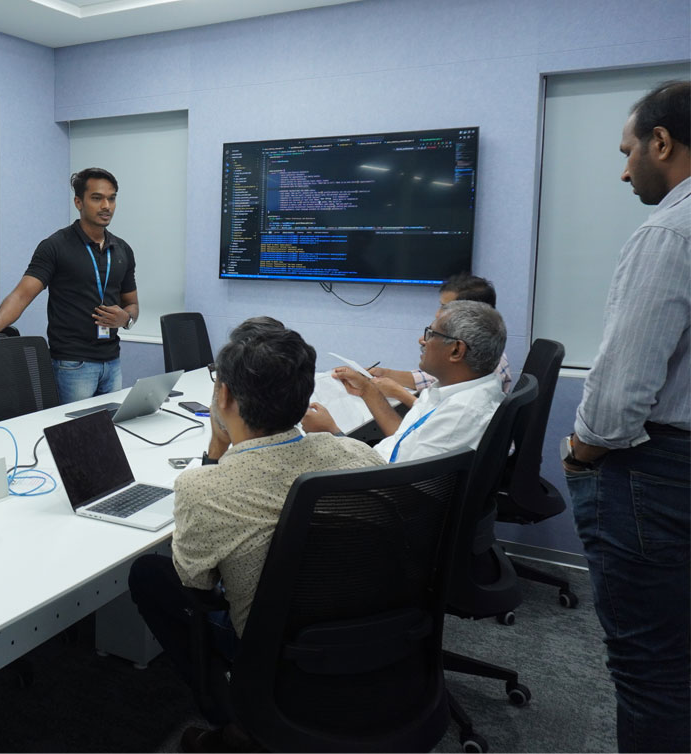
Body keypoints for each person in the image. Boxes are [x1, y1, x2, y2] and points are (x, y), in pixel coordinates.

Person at [128, 318, 382, 749]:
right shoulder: (359, 454)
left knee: (148, 574)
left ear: (224, 395)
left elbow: (195, 582)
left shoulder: (206, 488)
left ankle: (235, 716)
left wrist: (215, 453)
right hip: (365, 633)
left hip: (271, 646)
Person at [562, 80, 689, 753]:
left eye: (626, 152)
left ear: (660, 142)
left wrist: (580, 453)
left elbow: (617, 399)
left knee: (651, 671)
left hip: (658, 476)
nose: (622, 171)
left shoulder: (669, 231)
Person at [0, 167, 138, 403]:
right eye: (97, 198)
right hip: (72, 364)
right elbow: (21, 295)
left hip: (112, 362)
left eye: (111, 198)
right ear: (78, 202)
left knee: (108, 426)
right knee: (73, 427)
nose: (106, 206)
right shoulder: (56, 246)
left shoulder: (122, 250)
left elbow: (132, 304)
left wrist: (126, 319)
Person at [303, 300, 507, 464]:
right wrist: (367, 389)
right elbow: (404, 439)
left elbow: (395, 482)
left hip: (380, 491)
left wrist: (332, 433)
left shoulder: (461, 413)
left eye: (431, 334)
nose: (422, 340)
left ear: (456, 350)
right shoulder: (456, 389)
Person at [369, 272, 513, 407]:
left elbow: (442, 413)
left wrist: (398, 393)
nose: (438, 313)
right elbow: (430, 379)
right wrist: (385, 374)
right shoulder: (477, 356)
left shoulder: (487, 367)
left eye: (446, 308)